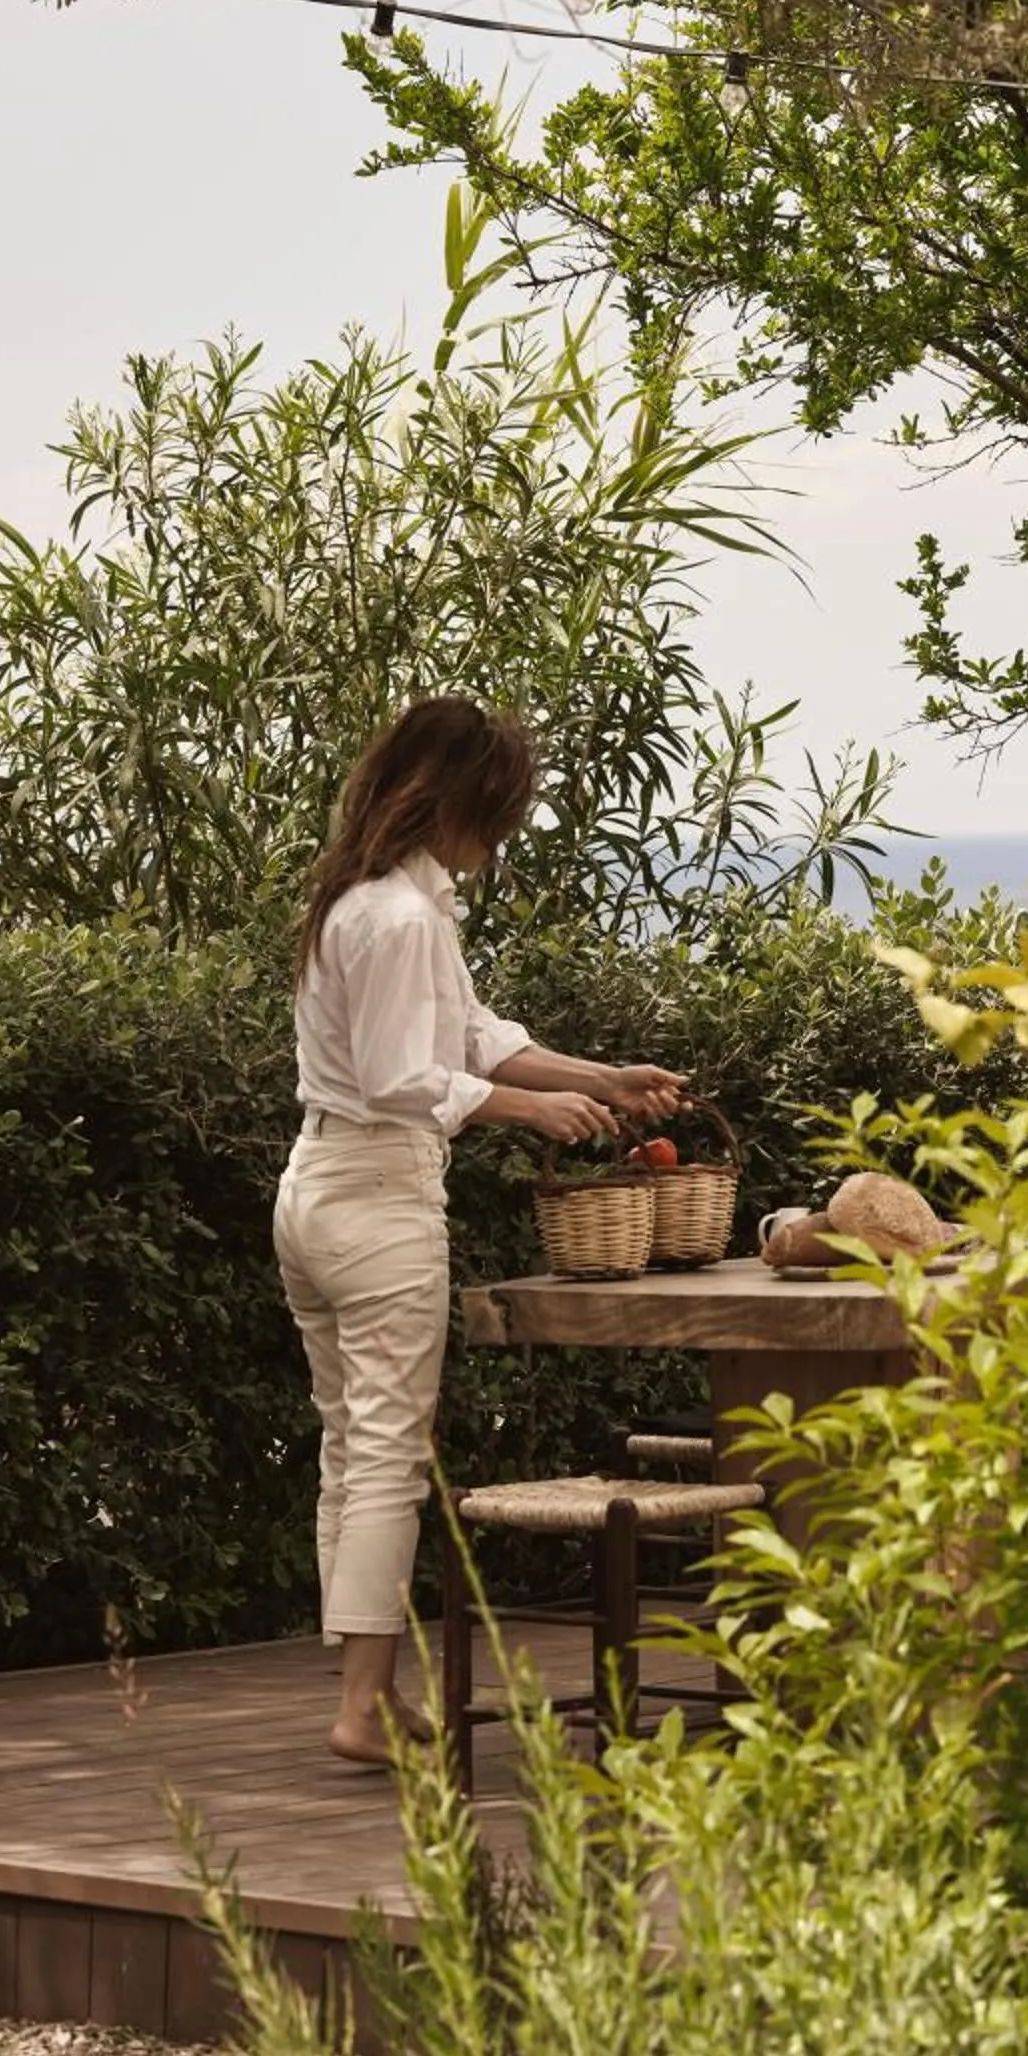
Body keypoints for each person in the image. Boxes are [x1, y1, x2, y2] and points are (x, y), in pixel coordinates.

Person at [277, 696, 683, 1767]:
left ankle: (373, 1690)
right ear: (458, 801)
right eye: (497, 818)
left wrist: (597, 1077)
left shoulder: (369, 900)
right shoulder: (402, 915)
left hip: (316, 1189)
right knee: (387, 1460)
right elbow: (403, 1077)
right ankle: (364, 1710)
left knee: (349, 1448)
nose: (498, 844)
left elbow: (466, 1035)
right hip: (376, 1198)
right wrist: (534, 1111)